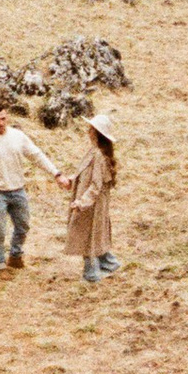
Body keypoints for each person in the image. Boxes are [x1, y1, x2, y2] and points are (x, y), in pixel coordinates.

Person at [0, 96, 64, 272]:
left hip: (18, 190)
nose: (0, 123)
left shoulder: (18, 136)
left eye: (3, 118)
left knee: (23, 225)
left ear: (8, 117)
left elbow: (37, 155)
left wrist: (56, 173)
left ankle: (15, 255)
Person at [66, 110, 120, 282]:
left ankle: (92, 274)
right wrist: (72, 180)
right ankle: (109, 263)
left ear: (97, 134)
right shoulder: (94, 152)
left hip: (92, 205)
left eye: (90, 129)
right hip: (89, 202)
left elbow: (96, 185)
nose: (88, 132)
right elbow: (86, 175)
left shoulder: (98, 156)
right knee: (92, 234)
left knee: (89, 235)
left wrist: (82, 203)